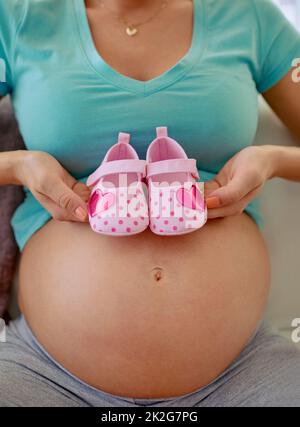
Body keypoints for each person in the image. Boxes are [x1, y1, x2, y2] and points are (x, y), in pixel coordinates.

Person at [0, 0, 300, 407]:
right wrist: (19, 166)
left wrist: (273, 160)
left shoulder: (248, 16)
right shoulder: (17, 19)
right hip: (43, 376)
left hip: (249, 373)